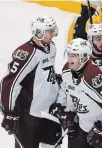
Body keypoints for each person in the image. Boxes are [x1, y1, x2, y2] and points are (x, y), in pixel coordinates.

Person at [51, 38, 102, 148]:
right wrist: (69, 112)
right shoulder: (67, 70)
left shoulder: (93, 76)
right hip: (85, 127)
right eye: (69, 54)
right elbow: (71, 91)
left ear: (84, 57)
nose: (69, 59)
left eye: (74, 55)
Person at [0, 16, 62, 148]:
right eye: (49, 31)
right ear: (39, 33)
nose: (53, 34)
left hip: (49, 111)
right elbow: (9, 83)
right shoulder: (26, 53)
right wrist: (9, 112)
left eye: (53, 30)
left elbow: (43, 72)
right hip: (29, 115)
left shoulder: (51, 47)